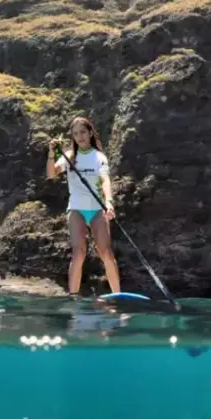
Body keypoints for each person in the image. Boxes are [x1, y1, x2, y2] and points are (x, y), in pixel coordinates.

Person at [46, 116, 122, 296]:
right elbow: (51, 174)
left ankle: (117, 295)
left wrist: (109, 201)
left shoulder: (99, 157)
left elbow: (105, 180)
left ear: (90, 133)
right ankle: (73, 296)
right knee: (78, 253)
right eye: (75, 134)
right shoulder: (70, 157)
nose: (79, 136)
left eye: (82, 132)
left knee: (106, 252)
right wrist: (51, 153)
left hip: (97, 209)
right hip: (76, 209)